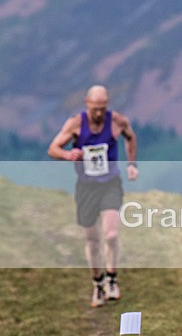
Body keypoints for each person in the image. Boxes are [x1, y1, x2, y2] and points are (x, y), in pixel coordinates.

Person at [47, 85, 139, 308]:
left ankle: (112, 278)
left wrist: (132, 164)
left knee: (111, 234)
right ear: (86, 104)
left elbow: (130, 137)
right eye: (95, 108)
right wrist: (69, 154)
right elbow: (53, 149)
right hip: (86, 187)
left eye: (102, 108)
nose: (98, 113)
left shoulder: (117, 121)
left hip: (110, 184)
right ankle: (97, 283)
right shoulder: (76, 124)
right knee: (92, 239)